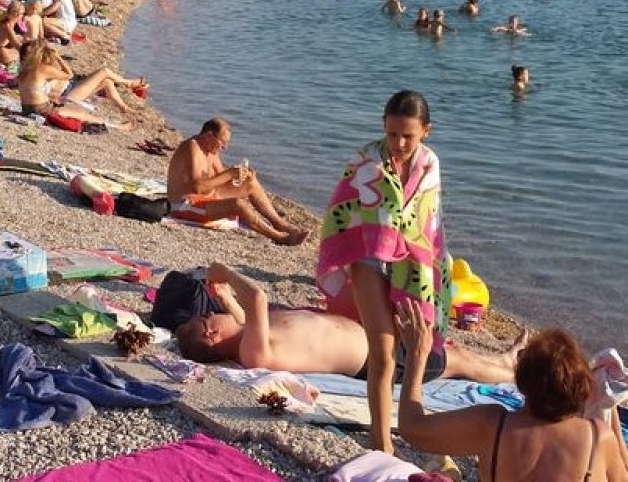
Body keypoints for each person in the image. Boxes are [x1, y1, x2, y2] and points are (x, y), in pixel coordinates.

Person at [316, 90, 451, 454]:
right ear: (383, 128)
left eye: (408, 135)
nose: (399, 143)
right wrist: (342, 249)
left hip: (413, 262)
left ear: (426, 131)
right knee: (383, 348)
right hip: (367, 255)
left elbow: (430, 222)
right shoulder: (365, 161)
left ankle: (413, 422)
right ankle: (381, 439)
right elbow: (340, 206)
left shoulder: (430, 165)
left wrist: (437, 267)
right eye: (392, 134)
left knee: (416, 343)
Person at [396, 314, 628, 482]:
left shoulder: (492, 424)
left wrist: (417, 360)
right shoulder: (596, 435)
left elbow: (411, 427)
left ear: (521, 384)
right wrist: (611, 412)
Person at [175, 262, 521, 383]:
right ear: (211, 333)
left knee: (455, 353)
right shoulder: (253, 352)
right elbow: (258, 299)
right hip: (378, 362)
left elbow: (244, 311)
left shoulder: (248, 334)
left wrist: (224, 296)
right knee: (458, 362)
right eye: (208, 315)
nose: (212, 312)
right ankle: (513, 374)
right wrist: (223, 270)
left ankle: (504, 361)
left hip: (375, 337)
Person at [166, 118, 307, 246]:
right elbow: (197, 187)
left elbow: (220, 178)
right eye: (222, 143)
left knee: (251, 183)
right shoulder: (193, 147)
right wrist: (230, 174)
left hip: (207, 197)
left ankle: (280, 224)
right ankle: (279, 237)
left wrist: (242, 175)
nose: (224, 148)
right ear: (209, 135)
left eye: (226, 143)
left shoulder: (211, 151)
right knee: (238, 204)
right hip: (184, 204)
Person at [16, 39, 143, 124]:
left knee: (108, 82)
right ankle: (128, 83)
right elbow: (69, 75)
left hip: (68, 91)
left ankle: (124, 108)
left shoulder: (28, 70)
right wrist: (58, 57)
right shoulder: (41, 69)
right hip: (69, 94)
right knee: (104, 71)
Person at [0, 1, 25, 67]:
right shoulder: (7, 26)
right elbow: (16, 45)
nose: (23, 16)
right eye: (22, 13)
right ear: (16, 14)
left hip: (2, 50)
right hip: (3, 55)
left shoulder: (8, 22)